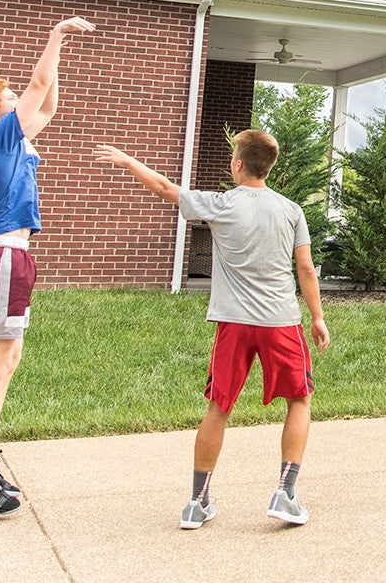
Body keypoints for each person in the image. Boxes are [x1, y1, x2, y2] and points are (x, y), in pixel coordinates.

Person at [95, 128, 329, 530]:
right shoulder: (292, 210)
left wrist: (129, 161)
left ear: (238, 164)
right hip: (280, 323)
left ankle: (197, 502)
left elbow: (167, 189)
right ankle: (285, 494)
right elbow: (305, 268)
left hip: (233, 324)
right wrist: (318, 317)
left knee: (219, 407)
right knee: (299, 401)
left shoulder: (220, 205)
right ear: (268, 167)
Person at [0, 15, 96, 516]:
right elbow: (38, 86)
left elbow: (46, 101)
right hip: (0, 256)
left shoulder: (14, 141)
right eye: (10, 99)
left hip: (14, 257)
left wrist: (59, 63)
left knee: (7, 360)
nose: (20, 103)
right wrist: (56, 37)